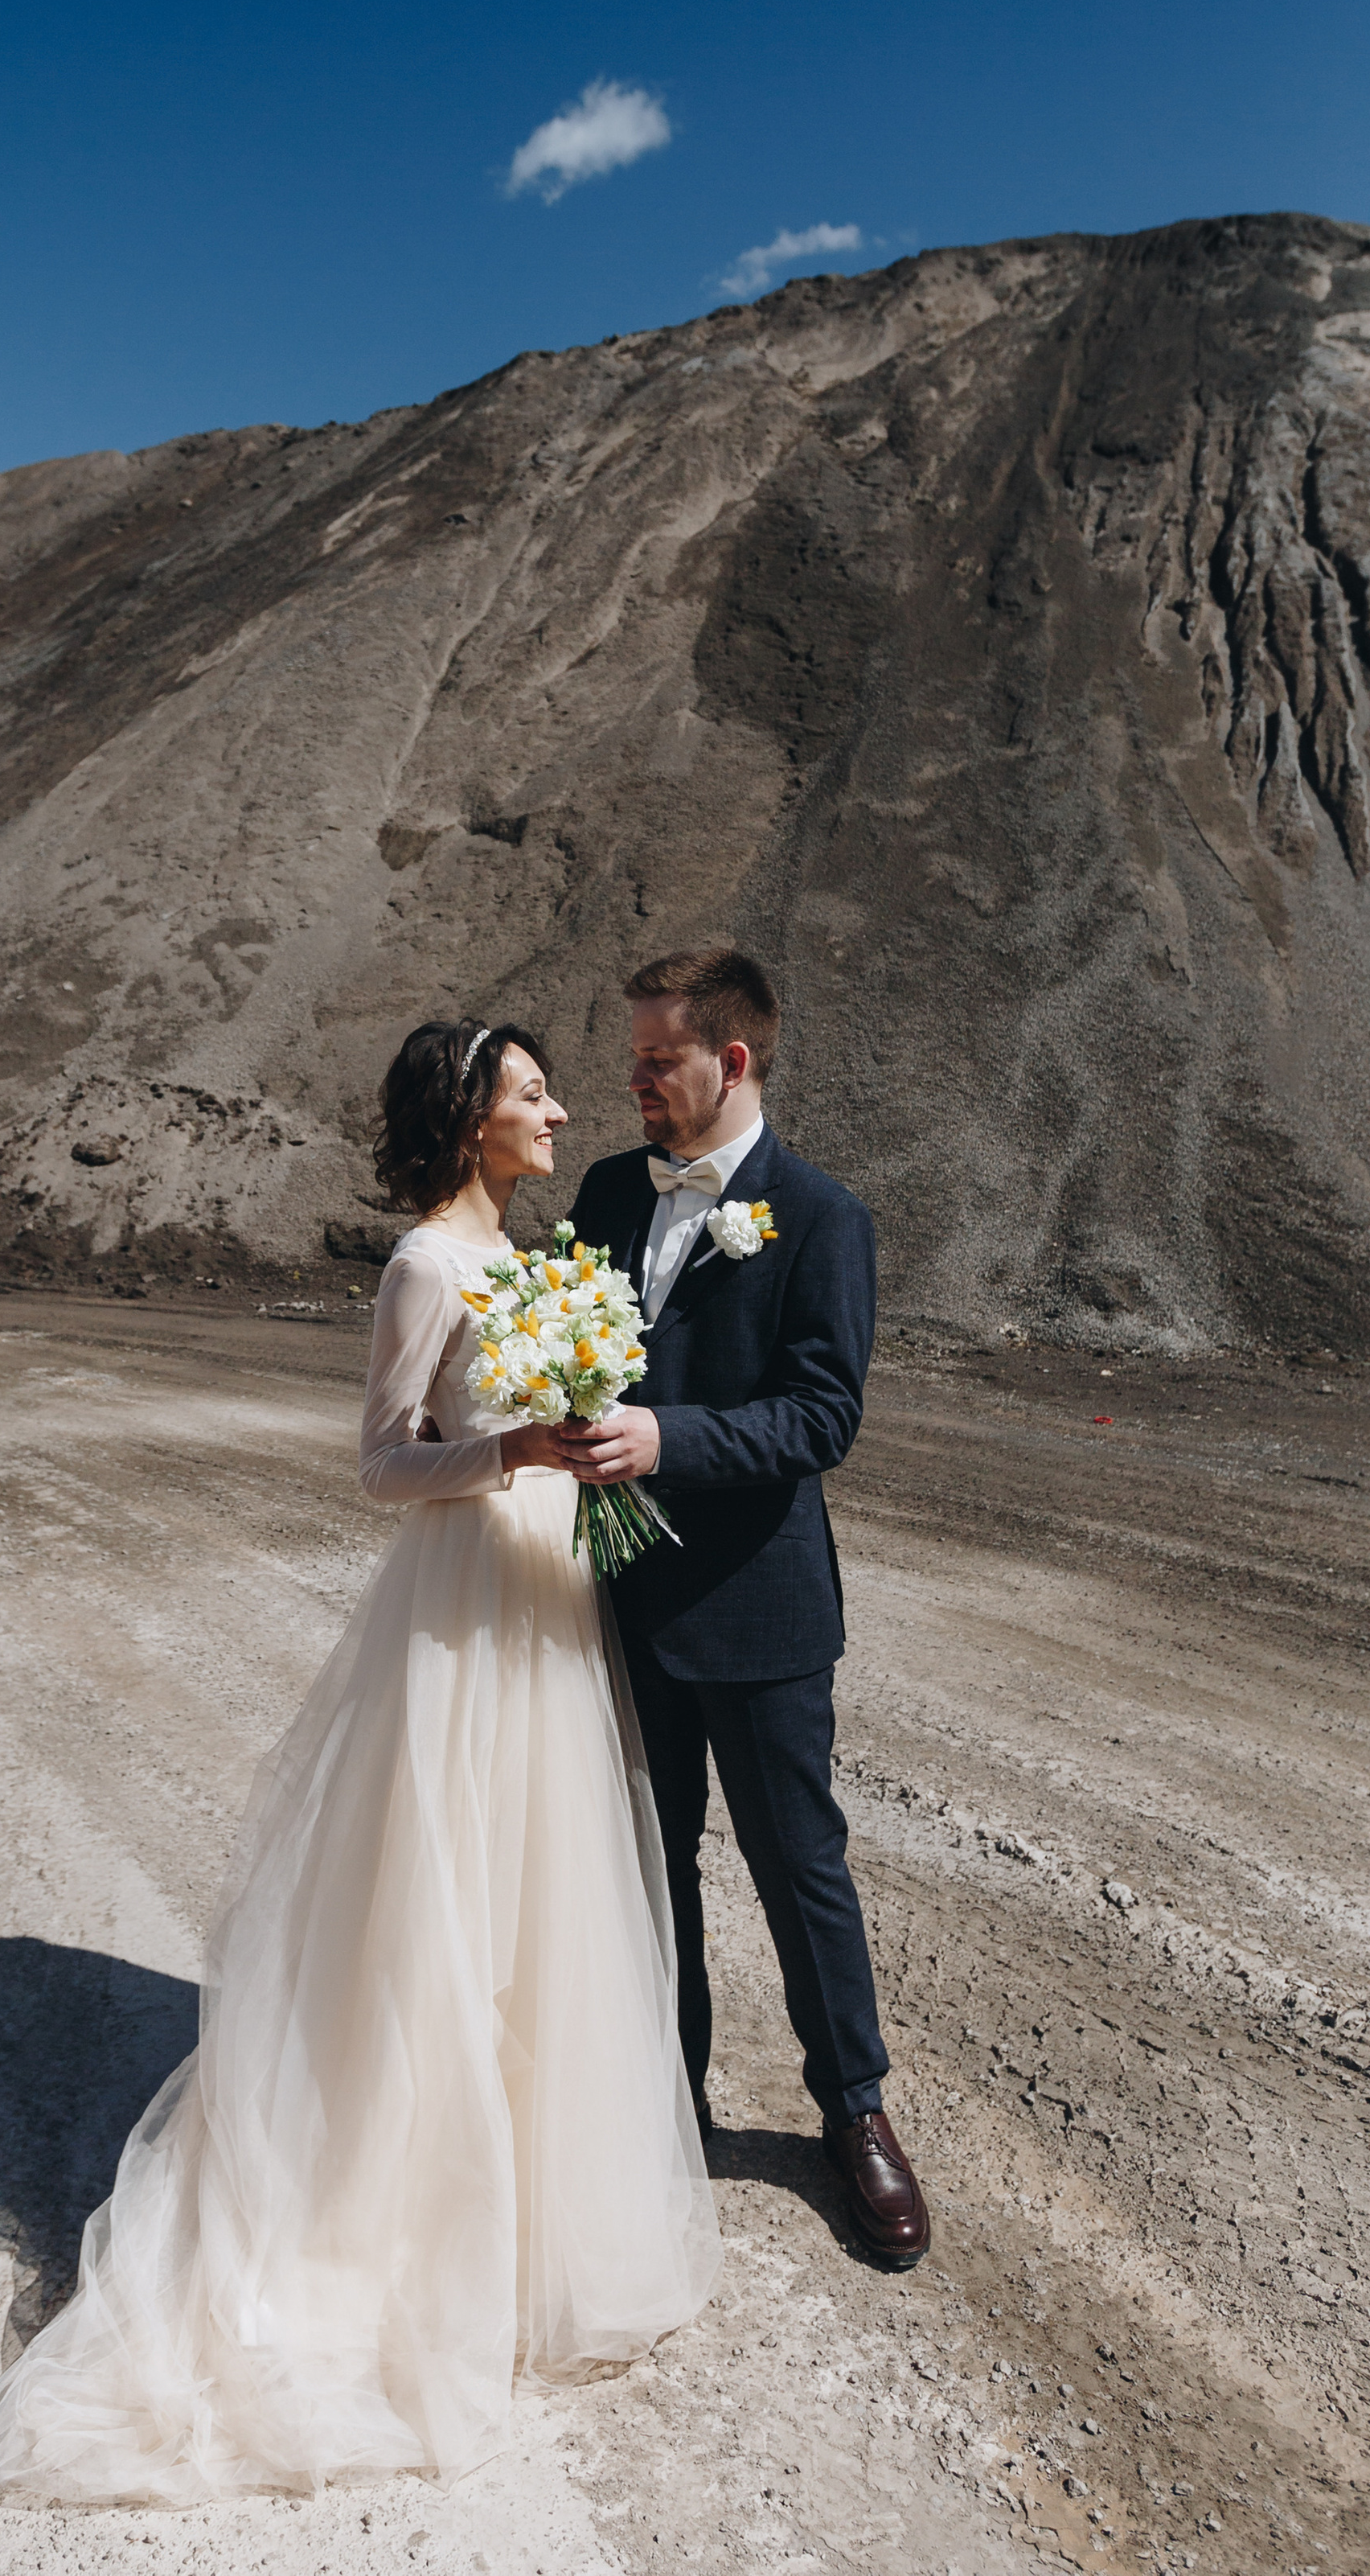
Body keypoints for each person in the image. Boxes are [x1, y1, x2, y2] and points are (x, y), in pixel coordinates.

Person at [0, 1019, 718, 2515]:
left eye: (550, 1090)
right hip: (465, 1597)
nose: (557, 1111)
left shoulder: (538, 1255)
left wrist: (573, 1454)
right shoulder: (426, 1265)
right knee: (442, 1909)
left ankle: (549, 2215)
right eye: (532, 1093)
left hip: (549, 1592)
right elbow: (377, 1462)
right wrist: (515, 1457)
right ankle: (399, 2225)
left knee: (547, 1907)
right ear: (471, 1121)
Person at [556, 946, 929, 2271]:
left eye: (661, 1058)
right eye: (636, 1059)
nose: (638, 1080)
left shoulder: (822, 1217)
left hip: (761, 1610)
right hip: (616, 1602)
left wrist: (669, 1439)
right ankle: (671, 2102)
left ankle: (856, 2115)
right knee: (648, 1872)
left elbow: (824, 1415)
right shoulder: (604, 1192)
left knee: (799, 1870)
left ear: (735, 1060)